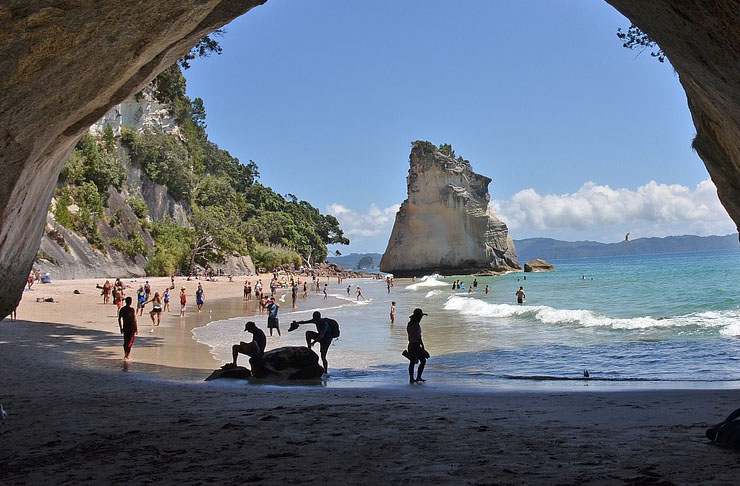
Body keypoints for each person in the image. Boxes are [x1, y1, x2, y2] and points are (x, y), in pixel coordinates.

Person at [404, 308, 428, 383]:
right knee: (422, 360)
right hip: (415, 345)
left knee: (412, 362)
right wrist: (422, 347)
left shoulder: (410, 324)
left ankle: (412, 378)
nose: (421, 318)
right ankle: (418, 377)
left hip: (411, 344)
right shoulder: (415, 325)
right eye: (420, 316)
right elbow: (418, 337)